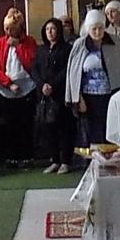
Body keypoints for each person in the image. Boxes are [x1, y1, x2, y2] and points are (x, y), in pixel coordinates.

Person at [65, 8, 120, 146]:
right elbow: (73, 74)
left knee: (111, 131)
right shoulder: (80, 45)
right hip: (89, 98)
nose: (97, 32)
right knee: (92, 134)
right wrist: (78, 98)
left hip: (112, 95)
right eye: (93, 29)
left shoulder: (115, 42)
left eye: (100, 28)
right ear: (88, 29)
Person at [0, 7, 37, 166]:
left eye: (12, 29)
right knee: (10, 125)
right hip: (6, 89)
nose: (9, 32)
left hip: (27, 88)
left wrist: (18, 46)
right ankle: (11, 157)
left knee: (26, 124)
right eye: (7, 29)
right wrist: (8, 84)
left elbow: (31, 64)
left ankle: (27, 156)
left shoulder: (29, 42)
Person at [33, 17, 73, 173]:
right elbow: (35, 70)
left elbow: (67, 70)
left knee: (64, 129)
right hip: (44, 96)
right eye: (47, 29)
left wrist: (52, 85)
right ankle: (54, 160)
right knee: (48, 129)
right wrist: (42, 85)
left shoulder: (67, 49)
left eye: (53, 29)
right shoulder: (41, 50)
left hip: (60, 94)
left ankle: (65, 161)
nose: (50, 32)